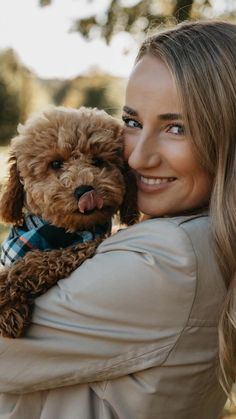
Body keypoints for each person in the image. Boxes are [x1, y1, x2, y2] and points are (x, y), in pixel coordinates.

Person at [0, 19, 235, 419]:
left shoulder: (168, 258)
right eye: (131, 123)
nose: (138, 157)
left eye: (177, 127)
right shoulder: (204, 236)